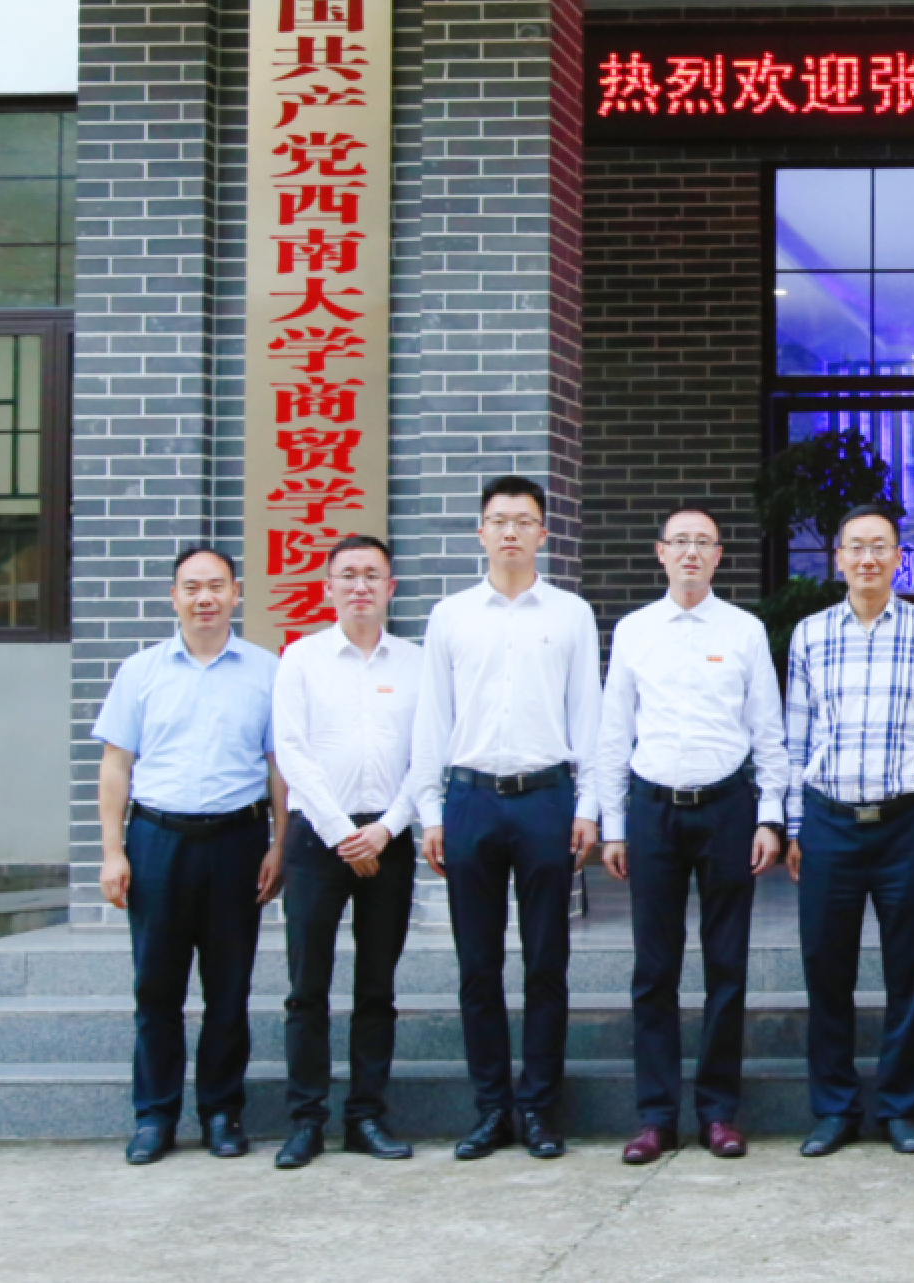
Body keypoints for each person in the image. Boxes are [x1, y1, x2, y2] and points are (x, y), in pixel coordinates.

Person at [588, 506, 792, 1166]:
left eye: (703, 542)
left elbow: (768, 731)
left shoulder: (744, 630)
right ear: (661, 552)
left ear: (718, 555)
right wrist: (613, 825)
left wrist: (769, 816)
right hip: (652, 811)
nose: (691, 552)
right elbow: (613, 732)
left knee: (726, 966)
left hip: (727, 807)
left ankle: (718, 1113)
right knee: (655, 968)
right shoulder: (634, 630)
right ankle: (655, 1117)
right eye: (680, 541)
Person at [408, 475, 604, 1162]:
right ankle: (491, 1107)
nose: (511, 531)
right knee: (478, 963)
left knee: (547, 961)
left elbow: (589, 715)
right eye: (499, 520)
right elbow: (431, 716)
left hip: (547, 798)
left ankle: (541, 1108)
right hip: (470, 798)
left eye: (524, 520)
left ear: (543, 533)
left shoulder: (571, 613)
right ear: (481, 532)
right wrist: (429, 809)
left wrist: (588, 806)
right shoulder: (451, 615)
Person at [94, 545, 284, 1165]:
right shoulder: (140, 671)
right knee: (157, 986)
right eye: (192, 587)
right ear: (173, 597)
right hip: (157, 841)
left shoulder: (266, 671)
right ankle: (155, 1116)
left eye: (216, 586)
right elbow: (116, 766)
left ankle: (222, 1112)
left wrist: (279, 844)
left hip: (237, 841)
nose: (205, 598)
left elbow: (279, 768)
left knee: (229, 987)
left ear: (236, 594)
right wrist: (113, 852)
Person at [784, 503, 914, 1158]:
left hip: (904, 824)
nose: (867, 557)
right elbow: (795, 736)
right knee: (825, 970)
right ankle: (834, 1108)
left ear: (897, 558)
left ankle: (900, 1107)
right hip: (828, 820)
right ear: (838, 558)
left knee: (907, 969)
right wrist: (794, 824)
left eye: (879, 546)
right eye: (855, 546)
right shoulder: (809, 635)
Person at [269, 535, 421, 1169]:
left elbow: (428, 757)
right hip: (316, 841)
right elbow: (291, 752)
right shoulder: (300, 660)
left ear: (390, 588)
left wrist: (385, 829)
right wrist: (340, 833)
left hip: (390, 839)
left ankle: (366, 1117)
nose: (360, 586)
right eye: (348, 575)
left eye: (372, 575)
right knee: (307, 987)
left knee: (376, 987)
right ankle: (306, 1120)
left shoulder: (415, 664)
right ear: (328, 587)